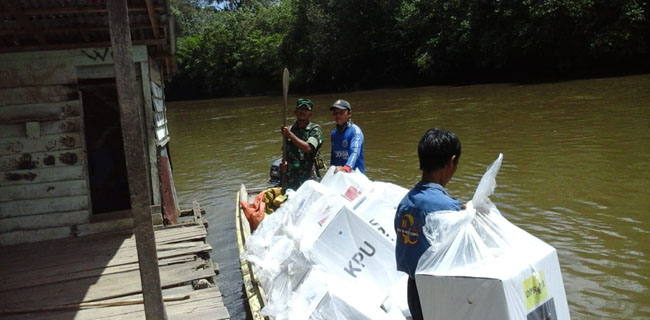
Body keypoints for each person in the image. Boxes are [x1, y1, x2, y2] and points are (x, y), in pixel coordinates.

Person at [394, 128, 462, 320]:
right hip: (439, 293)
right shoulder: (449, 209)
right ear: (451, 161)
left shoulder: (405, 203)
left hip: (414, 290)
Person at [280, 98, 324, 190]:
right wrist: (284, 164)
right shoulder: (289, 129)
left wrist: (290, 135)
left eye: (306, 110)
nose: (303, 112)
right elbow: (286, 152)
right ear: (295, 112)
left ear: (310, 113)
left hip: (309, 177)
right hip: (291, 178)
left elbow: (308, 148)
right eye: (300, 109)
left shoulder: (315, 130)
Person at [329, 99, 365, 174]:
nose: (338, 115)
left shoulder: (355, 132)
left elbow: (355, 152)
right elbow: (333, 157)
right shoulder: (334, 133)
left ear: (349, 114)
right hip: (339, 174)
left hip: (355, 175)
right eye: (335, 113)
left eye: (341, 112)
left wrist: (347, 168)